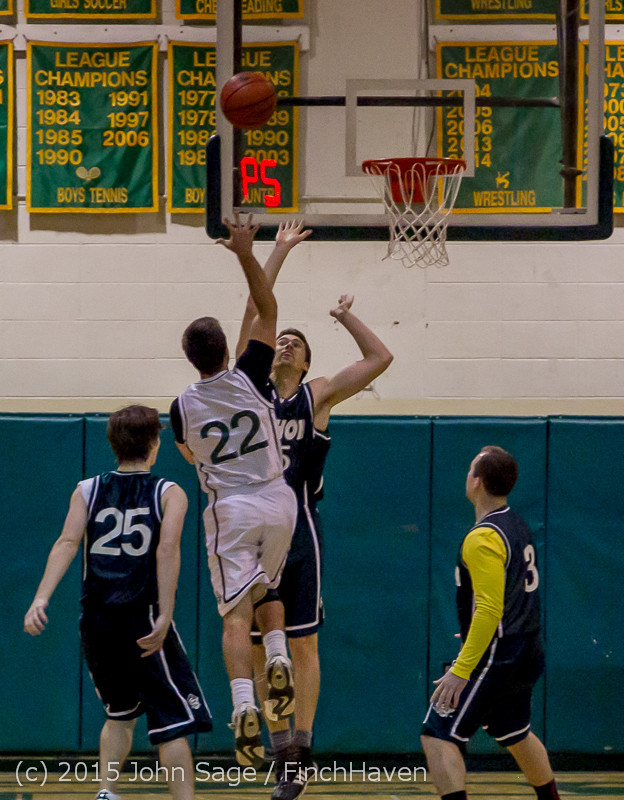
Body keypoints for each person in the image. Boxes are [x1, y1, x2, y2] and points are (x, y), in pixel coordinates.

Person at [236, 220, 393, 800]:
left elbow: (380, 356)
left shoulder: (317, 394)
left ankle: (301, 750)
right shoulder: (248, 390)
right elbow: (257, 308)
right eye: (281, 339)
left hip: (301, 529)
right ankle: (280, 752)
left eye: (296, 344)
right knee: (259, 648)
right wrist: (276, 252)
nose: (285, 343)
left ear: (306, 364)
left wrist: (345, 316)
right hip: (253, 533)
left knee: (302, 645)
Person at [24, 404, 211, 800]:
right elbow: (167, 550)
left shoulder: (87, 489)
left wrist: (41, 597)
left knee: (119, 713)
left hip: (96, 622)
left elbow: (67, 542)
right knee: (173, 721)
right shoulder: (169, 492)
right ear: (155, 443)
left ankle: (106, 791)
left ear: (113, 444)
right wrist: (165, 614)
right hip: (142, 619)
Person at [170, 214, 298, 769]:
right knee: (268, 586)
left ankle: (244, 703)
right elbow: (265, 310)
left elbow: (190, 458)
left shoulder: (181, 407)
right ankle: (279, 657)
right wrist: (250, 253)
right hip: (280, 498)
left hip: (232, 507)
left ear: (190, 358)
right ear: (229, 347)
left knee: (234, 614)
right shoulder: (251, 374)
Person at [421, 445, 561, 800]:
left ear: (477, 482)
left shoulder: (483, 537)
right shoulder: (516, 524)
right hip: (527, 648)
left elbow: (489, 609)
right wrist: (475, 629)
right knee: (514, 731)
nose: (467, 475)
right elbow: (510, 596)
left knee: (438, 734)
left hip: (499, 655)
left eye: (471, 469)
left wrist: (461, 670)